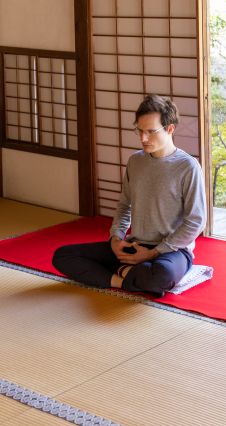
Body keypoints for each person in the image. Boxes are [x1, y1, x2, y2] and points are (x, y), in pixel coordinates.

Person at [53, 94, 207, 297]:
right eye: (140, 131)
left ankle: (120, 274)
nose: (143, 138)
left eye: (151, 132)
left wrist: (154, 252)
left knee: (162, 275)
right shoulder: (136, 161)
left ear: (170, 129)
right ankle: (123, 278)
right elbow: (125, 205)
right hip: (134, 245)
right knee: (63, 256)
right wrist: (116, 239)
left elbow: (196, 221)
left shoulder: (188, 166)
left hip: (172, 251)